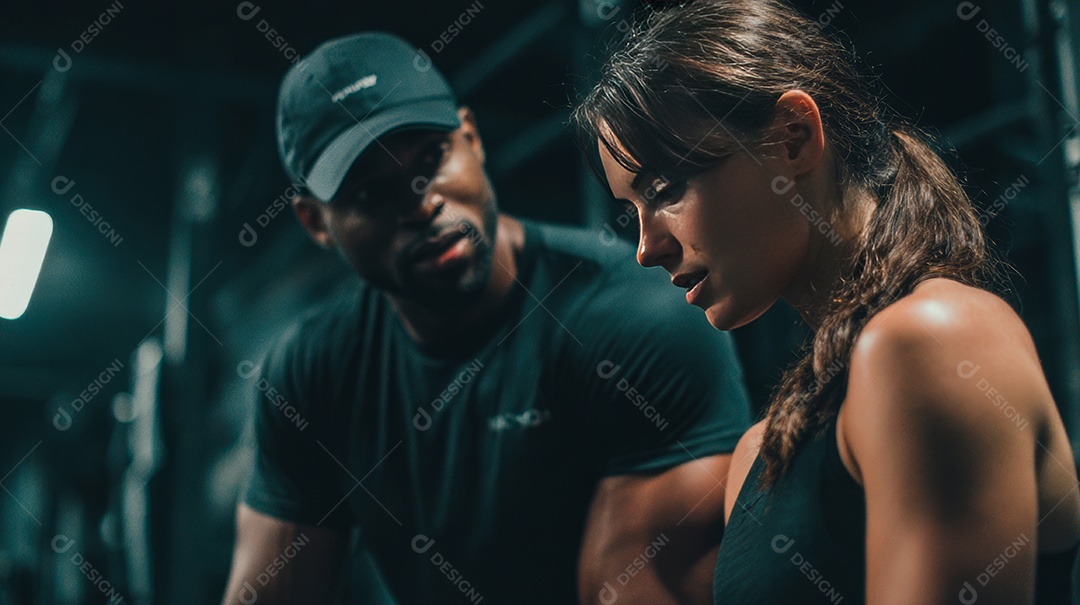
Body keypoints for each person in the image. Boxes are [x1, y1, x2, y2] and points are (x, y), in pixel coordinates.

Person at [220, 31, 753, 605]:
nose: (422, 202)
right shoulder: (313, 372)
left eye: (432, 159)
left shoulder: (631, 318)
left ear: (471, 139)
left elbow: (638, 587)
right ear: (316, 223)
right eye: (371, 194)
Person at [573, 1, 1080, 603]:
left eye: (665, 190)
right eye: (633, 209)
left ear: (793, 137)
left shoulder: (934, 341)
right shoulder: (757, 454)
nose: (645, 248)